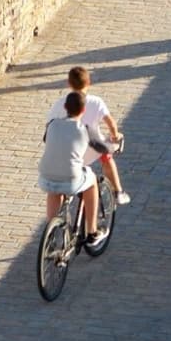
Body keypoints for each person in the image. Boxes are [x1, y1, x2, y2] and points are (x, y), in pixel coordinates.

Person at [46, 66, 130, 205]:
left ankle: (58, 216)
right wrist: (115, 136)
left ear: (69, 83)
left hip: (64, 154)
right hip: (91, 149)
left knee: (58, 188)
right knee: (106, 155)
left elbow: (49, 127)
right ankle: (118, 191)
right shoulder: (96, 102)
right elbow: (111, 124)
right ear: (89, 83)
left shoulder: (59, 103)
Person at [38, 90, 106, 247]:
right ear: (83, 111)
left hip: (45, 178)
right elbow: (102, 148)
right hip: (71, 179)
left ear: (64, 107)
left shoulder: (53, 124)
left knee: (54, 190)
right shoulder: (84, 129)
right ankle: (92, 231)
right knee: (92, 182)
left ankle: (51, 235)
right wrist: (115, 144)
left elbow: (47, 139)